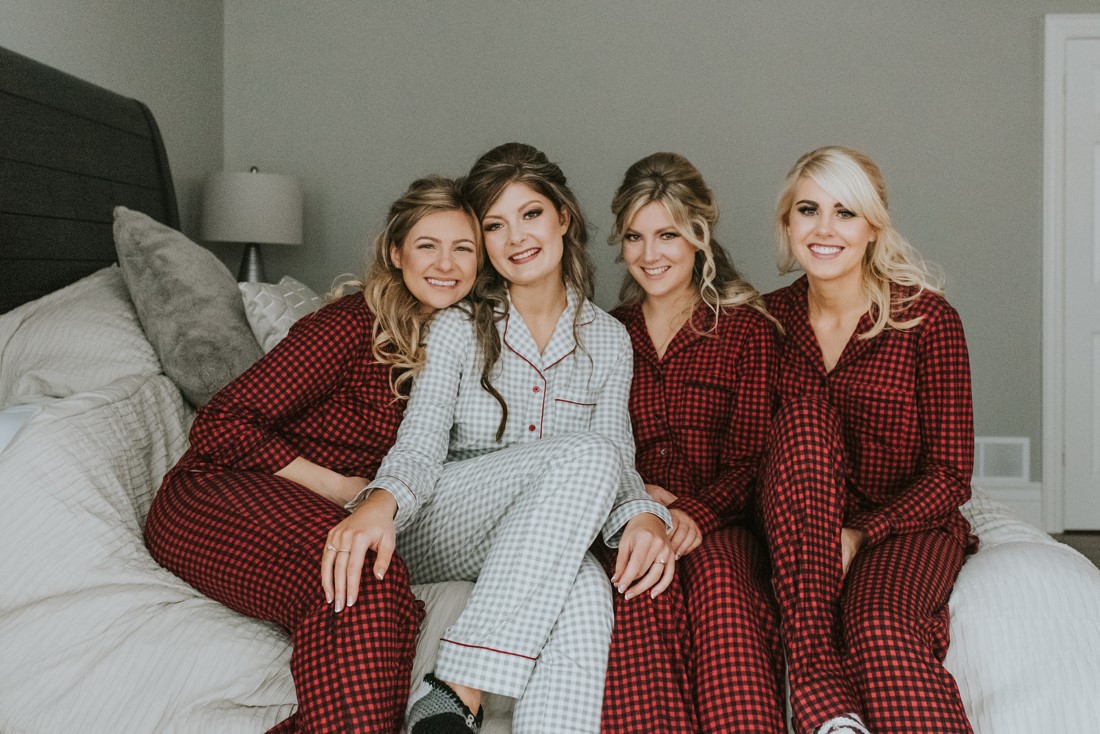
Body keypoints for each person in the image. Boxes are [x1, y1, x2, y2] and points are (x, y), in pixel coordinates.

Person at [326, 142, 673, 734]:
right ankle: (457, 690)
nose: (516, 237)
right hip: (447, 519)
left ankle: (454, 713)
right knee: (589, 455)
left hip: (538, 535)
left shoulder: (610, 340)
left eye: (531, 214)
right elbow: (421, 443)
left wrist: (642, 516)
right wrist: (379, 503)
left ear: (563, 216)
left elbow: (620, 459)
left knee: (588, 592)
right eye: (495, 224)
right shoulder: (459, 326)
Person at [145, 176, 481, 733]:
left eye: (462, 248)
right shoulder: (351, 324)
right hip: (214, 493)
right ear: (396, 253)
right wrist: (344, 489)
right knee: (363, 576)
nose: (445, 263)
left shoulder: (460, 340)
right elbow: (221, 423)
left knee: (382, 588)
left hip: (313, 511)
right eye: (428, 245)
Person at [762, 145, 977, 734]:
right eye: (808, 209)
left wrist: (860, 534)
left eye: (845, 212)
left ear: (874, 226)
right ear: (788, 223)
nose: (825, 229)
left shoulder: (927, 321)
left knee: (876, 623)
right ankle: (831, 714)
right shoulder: (766, 322)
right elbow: (754, 451)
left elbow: (951, 475)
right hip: (798, 525)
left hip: (904, 524)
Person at [598, 152, 786, 733]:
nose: (649, 254)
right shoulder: (609, 331)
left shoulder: (746, 330)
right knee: (635, 598)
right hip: (631, 517)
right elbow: (593, 444)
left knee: (723, 597)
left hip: (722, 520)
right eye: (634, 236)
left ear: (700, 236)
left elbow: (752, 459)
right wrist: (639, 504)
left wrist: (693, 513)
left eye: (667, 235)